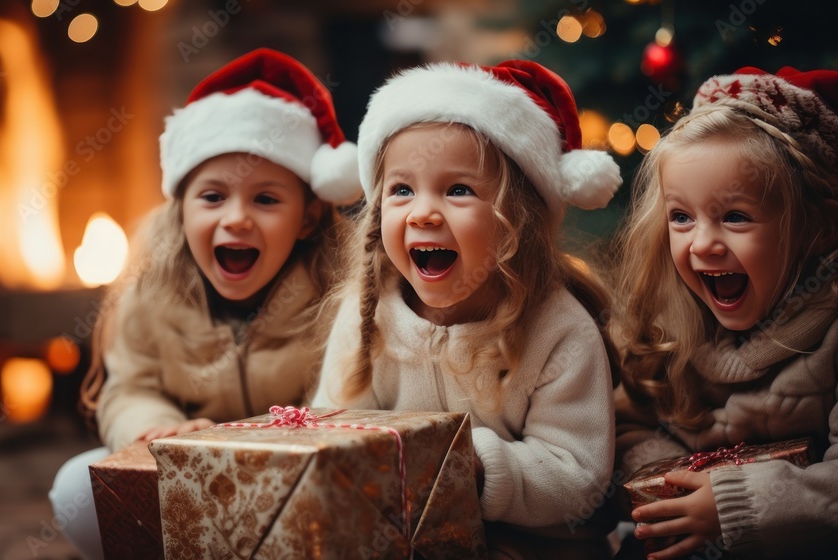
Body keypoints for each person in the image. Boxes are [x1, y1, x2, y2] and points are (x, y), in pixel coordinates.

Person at [49, 48, 360, 560]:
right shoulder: (151, 291)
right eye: (212, 198)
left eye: (266, 199)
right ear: (181, 210)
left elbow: (349, 399)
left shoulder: (338, 294)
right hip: (189, 475)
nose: (235, 219)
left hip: (298, 479)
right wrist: (154, 428)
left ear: (306, 219)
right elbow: (131, 386)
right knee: (74, 488)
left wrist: (274, 446)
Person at [311, 59, 623, 559]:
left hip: (537, 547)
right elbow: (329, 426)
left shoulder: (558, 330)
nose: (424, 211)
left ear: (516, 220)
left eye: (458, 190)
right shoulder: (366, 319)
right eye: (402, 189)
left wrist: (474, 467)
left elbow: (578, 477)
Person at [613, 67, 838, 559]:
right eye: (681, 217)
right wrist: (672, 483)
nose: (703, 244)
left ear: (816, 227)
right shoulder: (670, 322)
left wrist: (735, 502)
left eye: (735, 216)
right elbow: (626, 425)